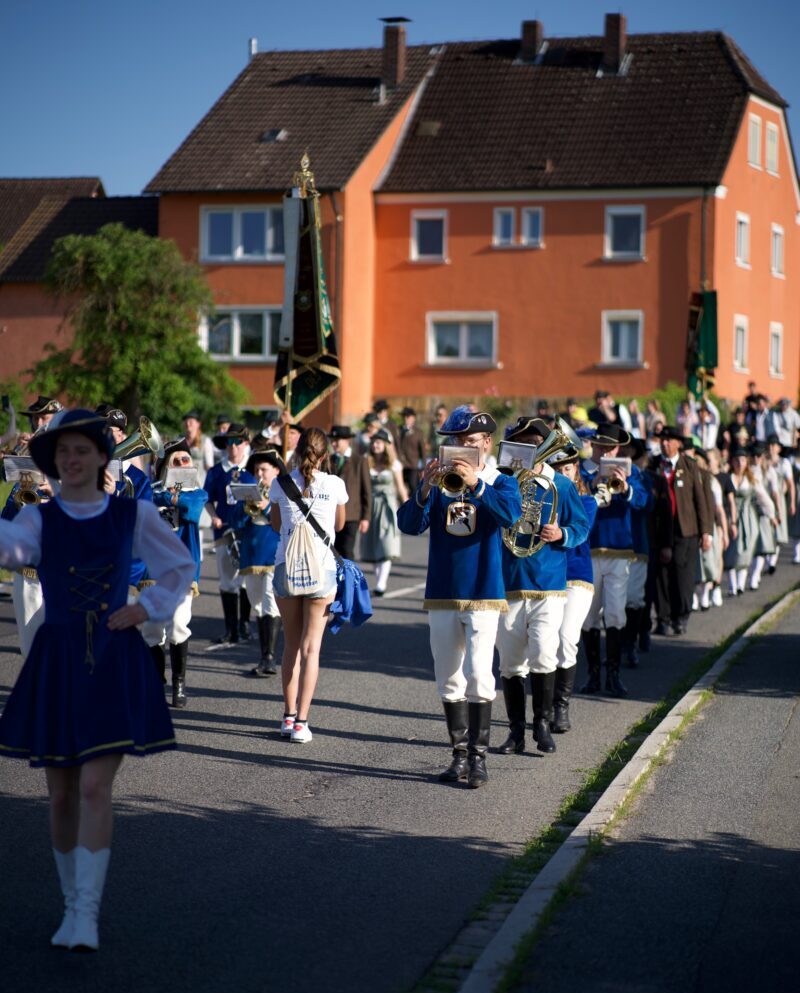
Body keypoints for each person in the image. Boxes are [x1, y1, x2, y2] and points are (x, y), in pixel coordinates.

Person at [0, 409, 194, 952]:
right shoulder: (41, 519)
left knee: (92, 785)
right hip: (57, 657)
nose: (71, 460)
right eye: (63, 453)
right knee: (60, 794)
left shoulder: (131, 514)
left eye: (81, 450)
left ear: (102, 456)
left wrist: (146, 606)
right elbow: (9, 549)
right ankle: (69, 904)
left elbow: (179, 566)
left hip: (110, 655)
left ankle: (86, 913)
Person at [398, 406, 522, 789]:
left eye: (468, 442)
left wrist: (477, 485)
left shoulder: (501, 481)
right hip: (443, 591)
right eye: (454, 442)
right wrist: (422, 491)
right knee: (448, 678)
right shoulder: (439, 481)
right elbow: (408, 524)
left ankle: (479, 759)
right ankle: (458, 756)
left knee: (479, 675)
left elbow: (511, 514)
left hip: (484, 592)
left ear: (486, 443)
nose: (460, 448)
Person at [495, 421, 588, 757]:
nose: (525, 452)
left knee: (544, 654)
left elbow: (581, 525)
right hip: (509, 583)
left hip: (548, 583)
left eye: (532, 446)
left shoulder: (561, 485)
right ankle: (515, 732)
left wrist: (562, 533)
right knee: (510, 662)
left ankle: (543, 726)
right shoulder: (504, 483)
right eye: (519, 446)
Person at [269, 427, 347, 743]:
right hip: (322, 569)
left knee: (290, 645)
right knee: (311, 647)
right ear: (324, 454)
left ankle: (287, 717)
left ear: (298, 451)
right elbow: (340, 526)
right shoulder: (335, 484)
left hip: (286, 566)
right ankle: (302, 722)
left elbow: (276, 525)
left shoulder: (279, 483)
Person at [579, 423, 649, 697]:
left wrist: (627, 488)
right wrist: (589, 485)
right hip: (589, 549)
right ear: (593, 445)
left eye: (610, 448)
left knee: (616, 613)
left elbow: (645, 502)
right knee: (588, 615)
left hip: (619, 552)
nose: (605, 452)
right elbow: (571, 500)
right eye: (600, 447)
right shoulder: (582, 470)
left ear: (618, 448)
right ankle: (593, 675)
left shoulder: (631, 473)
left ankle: (614, 675)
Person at [150, 439, 209, 705]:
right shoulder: (149, 491)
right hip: (151, 569)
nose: (184, 464)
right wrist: (167, 495)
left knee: (177, 625)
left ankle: (179, 683)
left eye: (187, 460)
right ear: (165, 467)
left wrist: (170, 496)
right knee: (151, 630)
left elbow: (192, 510)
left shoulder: (197, 493)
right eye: (177, 461)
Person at [551, 448, 598, 733]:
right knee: (544, 643)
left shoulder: (587, 501)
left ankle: (561, 707)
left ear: (576, 469)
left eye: (566, 469)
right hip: (548, 577)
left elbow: (581, 528)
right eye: (556, 470)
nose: (562, 475)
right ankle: (543, 709)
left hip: (577, 577)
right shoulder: (543, 497)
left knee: (566, 638)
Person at [653, 427, 713, 635]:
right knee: (661, 576)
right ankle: (663, 618)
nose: (665, 444)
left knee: (682, 576)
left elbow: (701, 500)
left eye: (669, 440)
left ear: (679, 443)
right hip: (659, 529)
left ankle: (681, 615)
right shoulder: (654, 465)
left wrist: (706, 531)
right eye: (662, 440)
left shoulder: (690, 466)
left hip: (685, 529)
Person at [203, 423, 255, 647]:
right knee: (227, 580)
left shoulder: (254, 468)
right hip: (224, 530)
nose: (232, 447)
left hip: (249, 531)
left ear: (245, 444)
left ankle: (244, 624)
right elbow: (207, 498)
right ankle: (230, 629)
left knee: (246, 580)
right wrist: (213, 516)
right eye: (228, 443)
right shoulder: (216, 471)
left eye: (237, 442)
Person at [235, 446, 284, 677]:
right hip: (251, 553)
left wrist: (269, 507)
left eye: (264, 469)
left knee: (269, 600)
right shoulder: (251, 490)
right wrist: (241, 505)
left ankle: (269, 657)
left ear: (275, 470)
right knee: (256, 603)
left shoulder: (283, 492)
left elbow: (288, 521)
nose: (260, 474)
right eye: (256, 470)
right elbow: (235, 522)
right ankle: (265, 654)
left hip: (273, 552)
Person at [360, 430, 408, 596]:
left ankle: (381, 583)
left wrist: (407, 504)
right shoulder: (366, 462)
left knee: (386, 543)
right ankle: (379, 580)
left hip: (388, 506)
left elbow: (400, 487)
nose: (375, 445)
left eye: (379, 442)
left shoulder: (394, 464)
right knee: (373, 544)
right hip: (371, 506)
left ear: (386, 445)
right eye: (373, 442)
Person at [723, 448, 775, 595]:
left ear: (747, 463)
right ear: (732, 462)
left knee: (746, 551)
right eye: (737, 461)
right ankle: (732, 586)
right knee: (731, 552)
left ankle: (740, 584)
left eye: (743, 460)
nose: (740, 463)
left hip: (748, 519)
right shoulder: (728, 478)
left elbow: (764, 498)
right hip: (731, 518)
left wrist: (772, 515)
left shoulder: (751, 480)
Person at [329, 425, 371, 560]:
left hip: (351, 515)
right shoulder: (328, 460)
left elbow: (366, 491)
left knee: (347, 551)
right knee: (332, 551)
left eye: (338, 440)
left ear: (347, 440)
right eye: (332, 440)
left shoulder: (359, 461)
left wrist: (365, 517)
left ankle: (348, 579)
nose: (334, 443)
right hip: (331, 514)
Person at [182, 411, 215, 487]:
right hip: (182, 485)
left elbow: (209, 467)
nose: (187, 424)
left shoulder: (205, 441)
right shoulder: (179, 440)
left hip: (200, 485)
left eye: (191, 421)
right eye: (186, 421)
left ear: (198, 424)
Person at [398, 407, 426, 493]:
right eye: (404, 417)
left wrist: (423, 468)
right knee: (400, 487)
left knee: (413, 486)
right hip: (401, 465)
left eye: (408, 417)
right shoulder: (398, 430)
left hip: (413, 465)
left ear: (413, 418)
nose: (406, 419)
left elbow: (423, 451)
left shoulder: (418, 432)